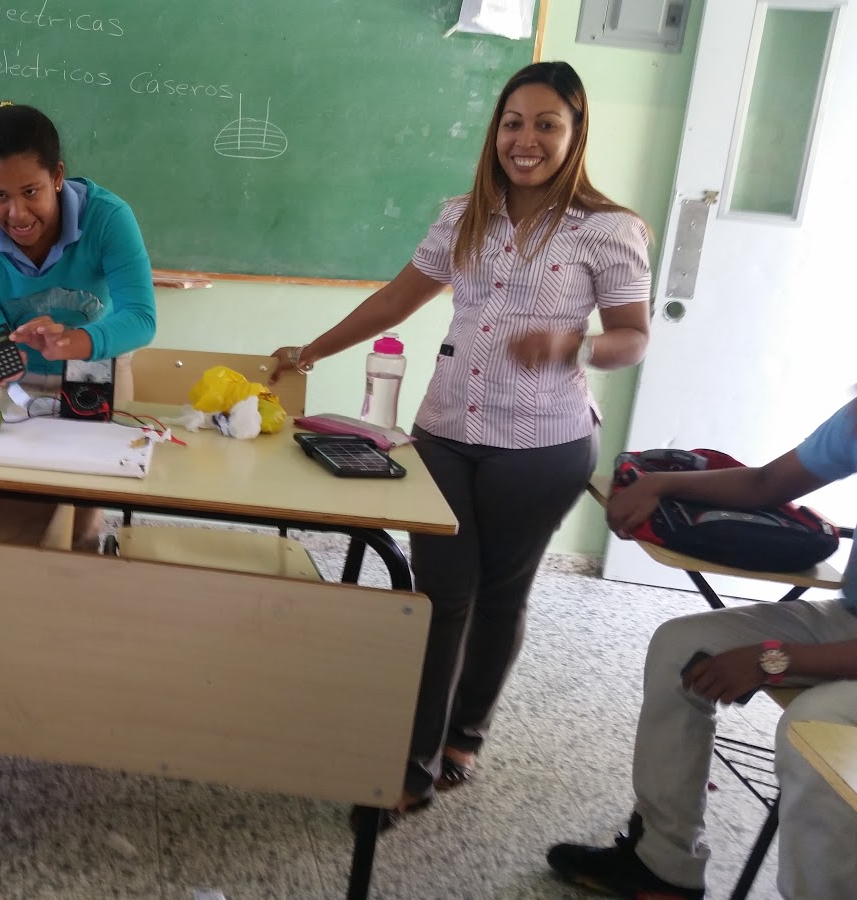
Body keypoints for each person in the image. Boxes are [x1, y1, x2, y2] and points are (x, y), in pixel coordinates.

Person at [267, 61, 652, 825]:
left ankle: (464, 737)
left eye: (547, 124)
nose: (525, 139)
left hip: (542, 445)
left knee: (500, 597)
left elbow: (632, 338)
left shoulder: (609, 230)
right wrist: (308, 353)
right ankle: (410, 765)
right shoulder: (463, 216)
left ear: (575, 134)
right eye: (513, 122)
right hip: (445, 430)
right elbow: (395, 300)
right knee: (440, 595)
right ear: (495, 130)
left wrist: (571, 345)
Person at [547, 338, 857, 900]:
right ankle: (664, 867)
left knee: (816, 730)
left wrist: (775, 660)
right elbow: (766, 484)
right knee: (680, 645)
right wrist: (661, 482)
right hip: (856, 619)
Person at [0, 102, 157, 551]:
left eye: (31, 192)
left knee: (80, 521)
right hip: (15, 383)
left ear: (58, 176)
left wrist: (74, 342)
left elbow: (141, 318)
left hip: (92, 369)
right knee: (0, 515)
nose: (18, 214)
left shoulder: (108, 218)